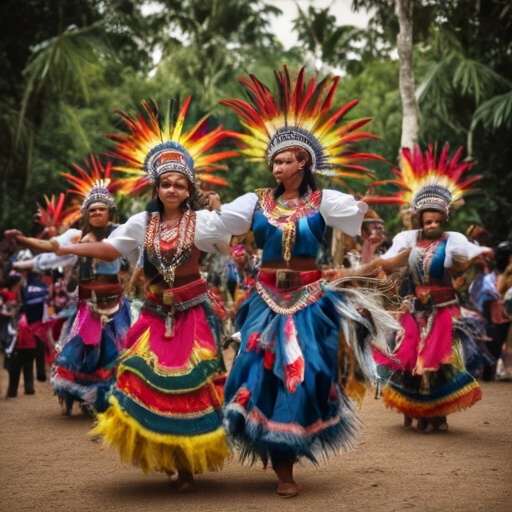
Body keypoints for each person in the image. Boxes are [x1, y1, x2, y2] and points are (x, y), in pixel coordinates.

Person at [217, 67, 399, 498]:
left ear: (304, 162)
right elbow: (219, 227)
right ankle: (281, 464)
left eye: (285, 159)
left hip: (309, 300)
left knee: (308, 371)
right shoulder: (254, 202)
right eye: (273, 160)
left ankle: (289, 445)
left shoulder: (324, 202)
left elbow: (361, 218)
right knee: (257, 372)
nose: (277, 166)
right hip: (263, 298)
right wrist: (204, 210)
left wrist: (371, 221)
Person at [54, 98, 236, 490]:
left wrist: (223, 219)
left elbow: (231, 247)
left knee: (190, 385)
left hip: (193, 312)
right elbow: (110, 250)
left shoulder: (203, 222)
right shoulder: (141, 222)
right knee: (146, 380)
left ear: (190, 189)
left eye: (180, 183)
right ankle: (165, 453)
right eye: (166, 183)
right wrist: (68, 248)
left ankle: (187, 463)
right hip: (154, 314)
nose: (172, 188)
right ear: (157, 186)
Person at [368, 143, 491, 431]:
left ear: (443, 219)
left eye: (437, 219)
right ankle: (411, 410)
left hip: (442, 309)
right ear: (418, 219)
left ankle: (438, 413)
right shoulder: (406, 239)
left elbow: (472, 252)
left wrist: (481, 255)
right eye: (427, 219)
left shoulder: (454, 239)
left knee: (438, 360)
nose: (432, 223)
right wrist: (381, 269)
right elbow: (388, 261)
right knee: (408, 358)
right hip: (412, 307)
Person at [5, 156, 131, 414]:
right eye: (92, 209)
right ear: (86, 213)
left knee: (118, 352)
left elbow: (135, 260)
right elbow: (51, 254)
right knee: (83, 351)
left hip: (116, 306)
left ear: (111, 212)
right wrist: (24, 247)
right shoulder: (76, 236)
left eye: (101, 209)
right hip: (86, 305)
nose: (97, 213)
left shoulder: (122, 233)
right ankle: (83, 397)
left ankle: (113, 398)